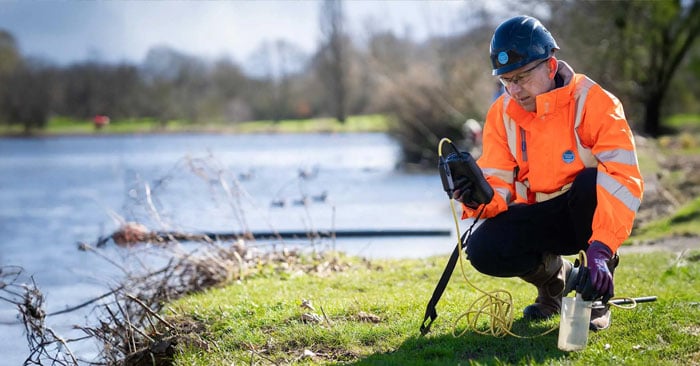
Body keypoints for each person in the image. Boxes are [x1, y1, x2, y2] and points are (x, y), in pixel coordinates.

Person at [453, 15, 644, 331]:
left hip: (587, 216)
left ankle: (595, 294)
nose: (514, 90)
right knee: (482, 248)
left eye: (523, 77)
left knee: (590, 182)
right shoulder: (500, 114)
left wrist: (602, 248)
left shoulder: (596, 102)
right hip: (539, 216)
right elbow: (498, 181)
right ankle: (556, 283)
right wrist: (477, 195)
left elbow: (624, 178)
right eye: (506, 80)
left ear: (551, 67)